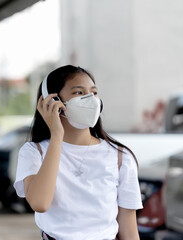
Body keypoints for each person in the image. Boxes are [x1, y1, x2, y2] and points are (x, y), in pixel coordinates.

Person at [14, 65, 143, 240]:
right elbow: (40, 203)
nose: (90, 99)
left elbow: (129, 230)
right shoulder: (34, 152)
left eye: (94, 92)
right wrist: (57, 135)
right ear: (52, 101)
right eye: (78, 93)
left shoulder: (121, 157)